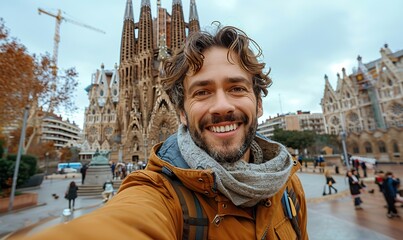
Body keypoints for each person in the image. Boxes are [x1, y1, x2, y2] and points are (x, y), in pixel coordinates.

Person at [22, 25, 308, 239]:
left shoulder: (287, 187)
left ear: (259, 104)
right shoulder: (160, 193)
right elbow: (130, 220)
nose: (222, 105)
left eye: (236, 88)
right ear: (181, 112)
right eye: (203, 91)